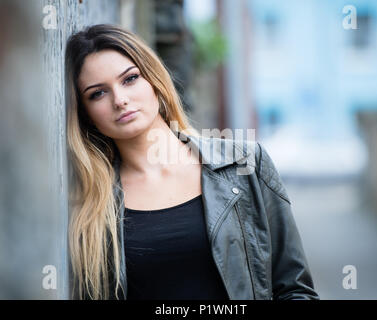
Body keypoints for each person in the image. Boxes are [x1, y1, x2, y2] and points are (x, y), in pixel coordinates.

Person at [65, 24, 319, 300]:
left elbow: (294, 289)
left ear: (154, 81)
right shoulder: (89, 205)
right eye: (97, 93)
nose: (120, 100)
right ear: (87, 114)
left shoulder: (245, 165)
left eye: (130, 79)